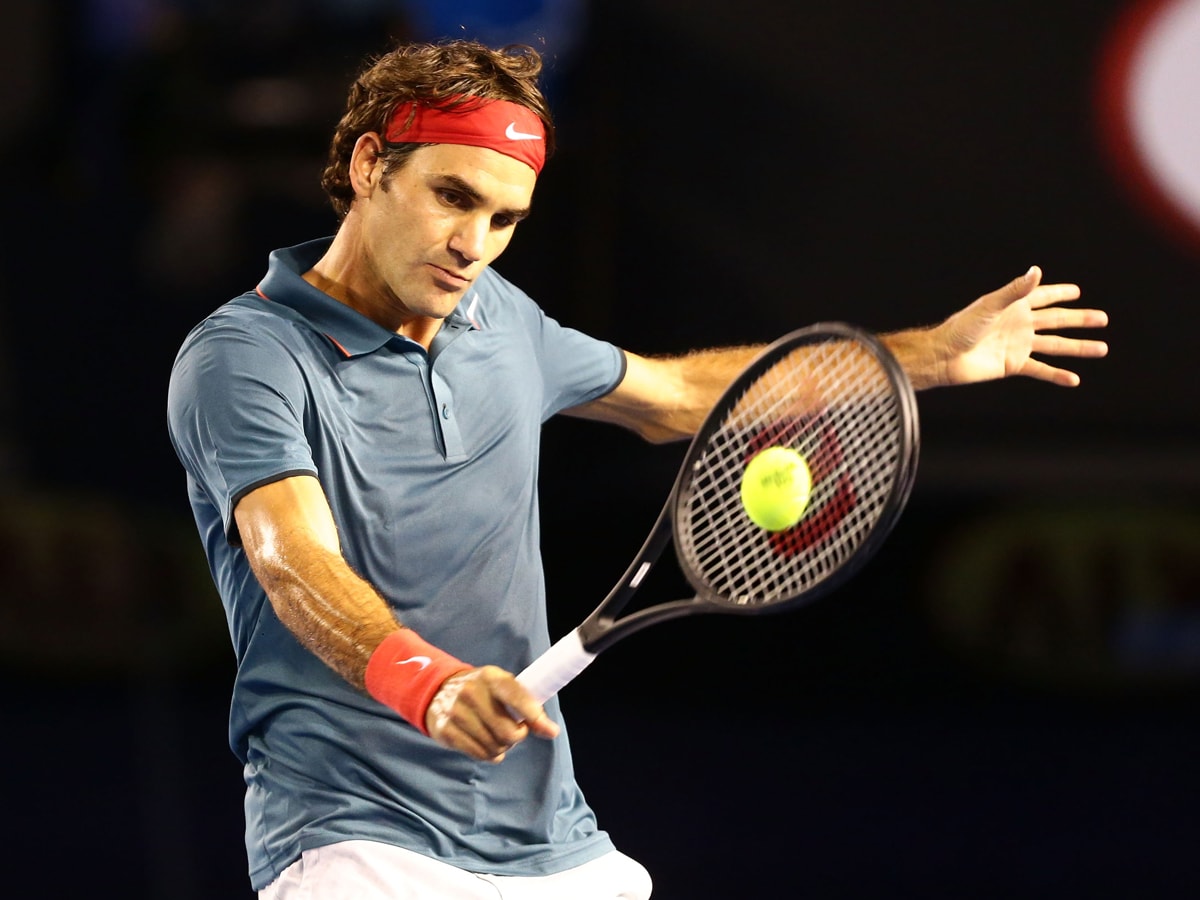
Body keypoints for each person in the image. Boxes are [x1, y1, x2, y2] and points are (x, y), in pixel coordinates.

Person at [166, 39, 1109, 899]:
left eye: (504, 218)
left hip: (553, 845)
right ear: (370, 165)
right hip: (355, 838)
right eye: (452, 197)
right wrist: (435, 683)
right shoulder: (247, 354)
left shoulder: (501, 319)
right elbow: (290, 561)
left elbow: (682, 396)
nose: (474, 247)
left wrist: (931, 356)